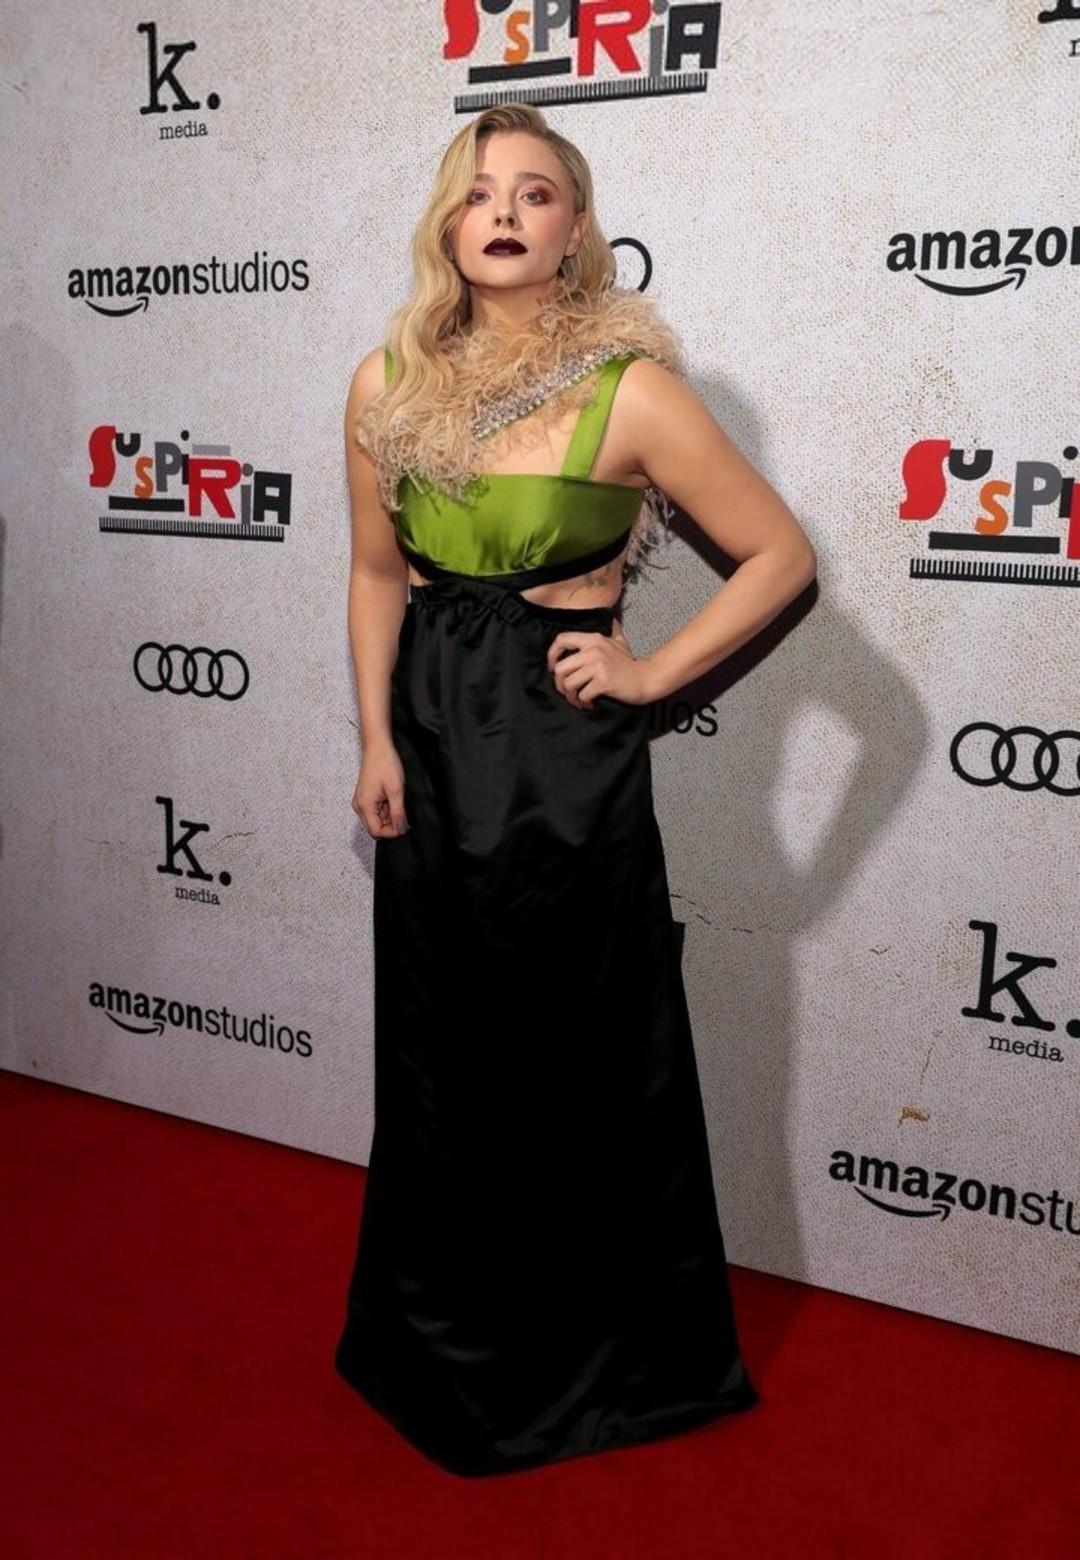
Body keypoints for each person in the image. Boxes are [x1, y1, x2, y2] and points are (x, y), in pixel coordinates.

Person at [335, 102, 817, 1478]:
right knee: (440, 1049)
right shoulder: (385, 383)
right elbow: (375, 573)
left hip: (559, 755)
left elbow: (781, 556)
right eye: (478, 191)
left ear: (575, 228)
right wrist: (374, 738)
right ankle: (441, 1347)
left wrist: (652, 670)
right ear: (447, 222)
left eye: (535, 192)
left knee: (573, 1044)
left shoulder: (631, 388)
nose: (503, 212)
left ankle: (595, 1365)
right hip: (431, 738)